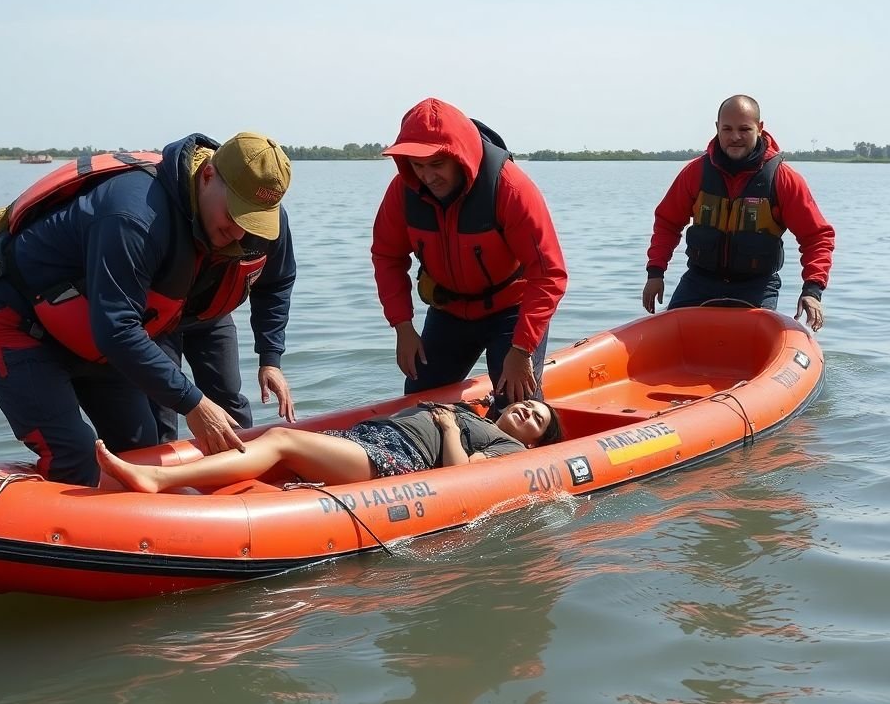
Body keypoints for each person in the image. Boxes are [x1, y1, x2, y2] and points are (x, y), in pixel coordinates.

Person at [0, 131, 297, 486]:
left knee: (140, 447)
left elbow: (276, 281)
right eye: (235, 214)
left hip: (95, 339)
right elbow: (118, 329)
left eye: (253, 220)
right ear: (208, 175)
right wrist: (194, 403)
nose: (241, 233)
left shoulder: (258, 222)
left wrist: (270, 355)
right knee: (73, 453)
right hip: (14, 324)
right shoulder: (135, 215)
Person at [371, 98, 568, 413]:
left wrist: (521, 350)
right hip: (450, 310)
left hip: (511, 310)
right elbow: (387, 257)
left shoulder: (510, 188)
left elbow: (549, 274)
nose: (428, 177)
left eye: (437, 165)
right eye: (418, 166)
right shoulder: (402, 192)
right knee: (418, 398)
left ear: (459, 157)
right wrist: (403, 327)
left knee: (518, 406)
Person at [641, 95, 835, 330]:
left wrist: (812, 290)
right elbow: (667, 223)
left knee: (751, 349)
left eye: (744, 129)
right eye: (727, 129)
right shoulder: (694, 173)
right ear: (717, 128)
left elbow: (816, 236)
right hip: (699, 281)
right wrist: (655, 273)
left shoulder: (783, 179)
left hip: (756, 286)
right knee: (667, 336)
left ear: (760, 129)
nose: (735, 137)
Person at [96, 398, 565, 494]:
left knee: (278, 438)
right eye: (526, 405)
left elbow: (462, 476)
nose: (526, 411)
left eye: (536, 418)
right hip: (366, 440)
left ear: (537, 438)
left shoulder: (513, 452)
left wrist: (445, 429)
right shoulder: (471, 410)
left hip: (396, 462)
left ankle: (158, 477)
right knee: (282, 447)